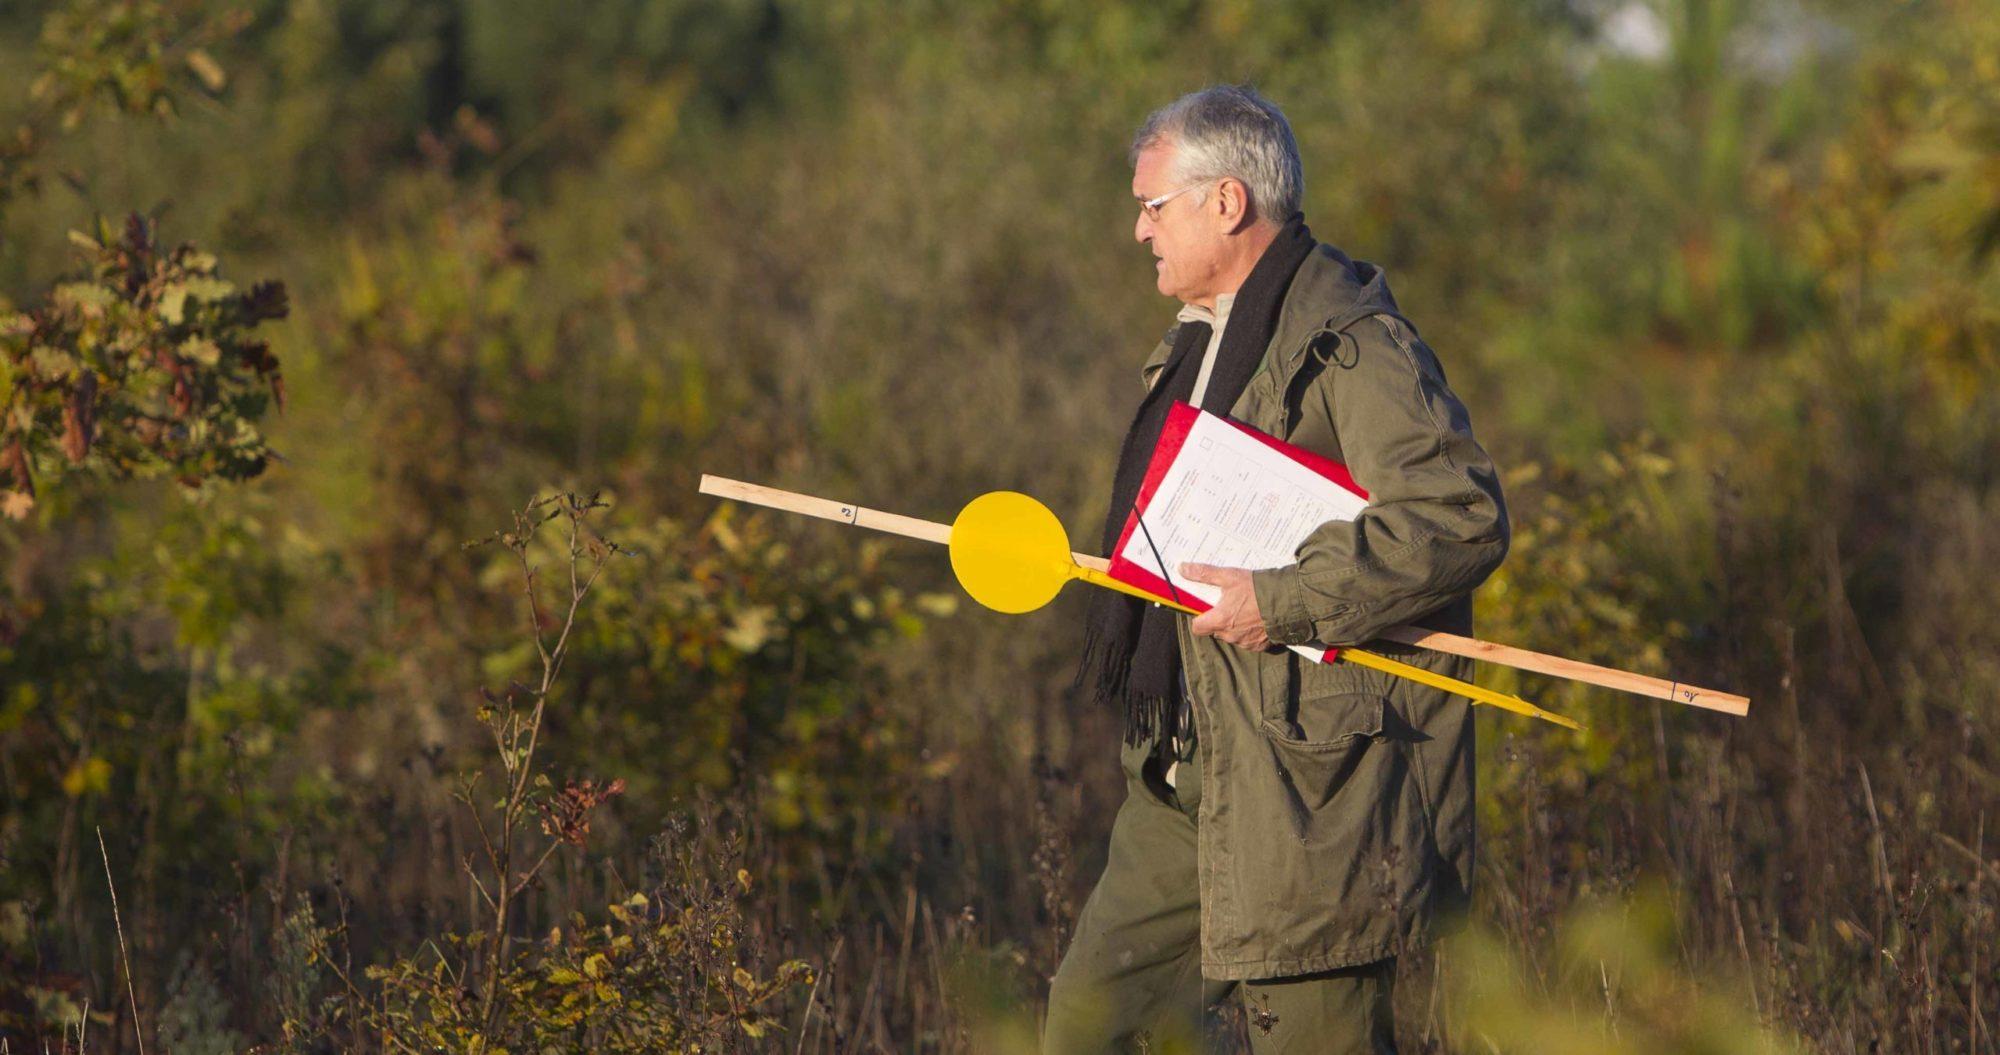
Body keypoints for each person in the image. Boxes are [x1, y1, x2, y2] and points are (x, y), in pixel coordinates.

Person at [1047, 85, 1510, 1053]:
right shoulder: (1195, 340)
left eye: (1153, 205)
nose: (1137, 230)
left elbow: (1457, 515)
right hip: (1181, 782)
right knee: (1083, 1030)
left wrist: (1285, 599)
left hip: (1311, 798)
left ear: (1226, 202)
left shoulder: (1352, 342)